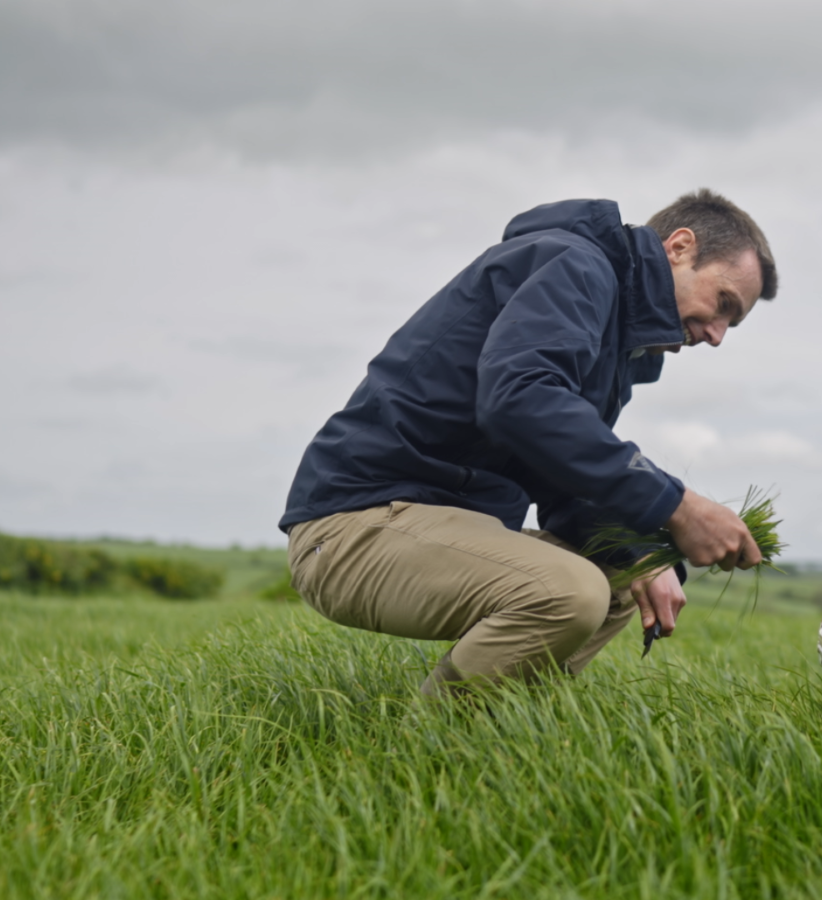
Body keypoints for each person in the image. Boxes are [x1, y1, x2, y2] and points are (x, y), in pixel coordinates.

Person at [280, 190, 776, 697]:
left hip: (433, 521)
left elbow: (559, 475)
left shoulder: (611, 337)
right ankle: (430, 751)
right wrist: (679, 507)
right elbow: (518, 400)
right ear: (679, 247)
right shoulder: (574, 267)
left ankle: (505, 732)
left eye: (730, 325)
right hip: (354, 523)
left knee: (622, 574)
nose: (716, 336)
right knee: (570, 593)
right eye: (722, 304)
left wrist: (645, 552)